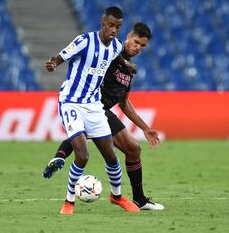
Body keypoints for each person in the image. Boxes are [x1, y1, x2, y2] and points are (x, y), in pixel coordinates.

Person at [43, 23, 165, 211]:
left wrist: (145, 128)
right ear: (128, 36)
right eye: (136, 42)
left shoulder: (129, 69)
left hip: (103, 111)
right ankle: (61, 161)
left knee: (133, 149)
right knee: (91, 142)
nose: (138, 48)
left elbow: (124, 103)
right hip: (91, 105)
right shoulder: (110, 51)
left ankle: (138, 199)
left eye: (143, 46)